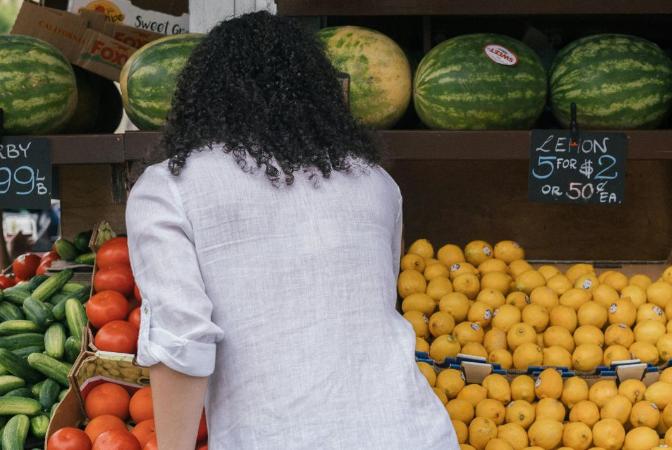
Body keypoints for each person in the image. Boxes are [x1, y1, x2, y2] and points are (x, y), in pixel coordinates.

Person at [125, 11, 456, 450]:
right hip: (413, 434)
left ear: (202, 96)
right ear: (321, 92)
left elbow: (183, 343)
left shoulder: (169, 189)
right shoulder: (376, 183)